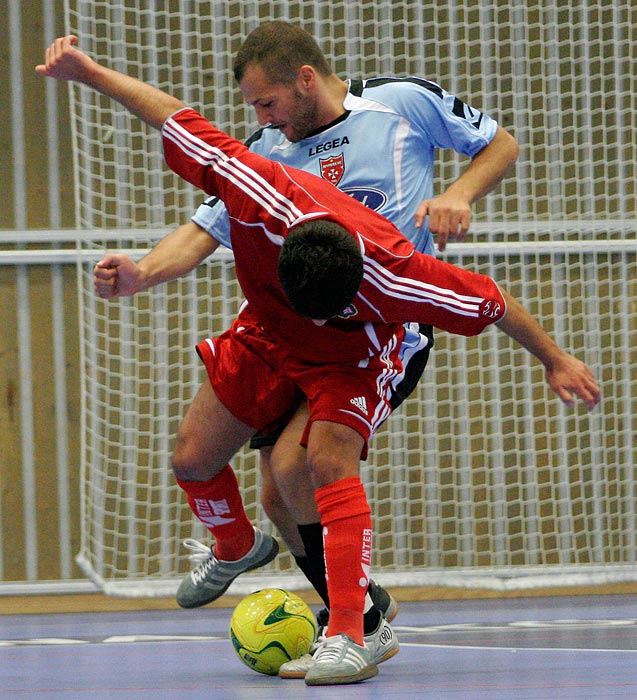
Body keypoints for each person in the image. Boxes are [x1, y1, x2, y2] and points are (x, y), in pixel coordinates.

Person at [37, 35, 600, 686]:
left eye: (268, 101)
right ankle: (257, 556)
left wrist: (555, 360)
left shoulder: (393, 277)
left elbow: (493, 301)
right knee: (201, 460)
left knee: (301, 467)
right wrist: (88, 72)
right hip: (270, 326)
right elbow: (170, 115)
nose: (261, 115)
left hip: (356, 345)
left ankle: (352, 628)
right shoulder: (261, 179)